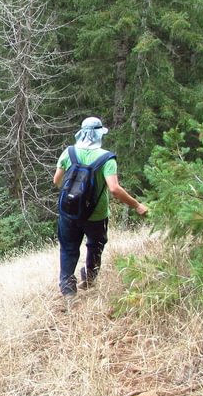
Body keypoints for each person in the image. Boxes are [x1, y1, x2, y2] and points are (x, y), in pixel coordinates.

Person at [52, 116, 148, 296]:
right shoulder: (106, 158)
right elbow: (114, 189)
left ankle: (68, 290)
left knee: (68, 248)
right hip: (96, 214)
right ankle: (89, 278)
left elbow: (56, 180)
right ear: (99, 135)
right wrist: (136, 205)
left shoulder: (69, 152)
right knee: (95, 244)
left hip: (69, 211)